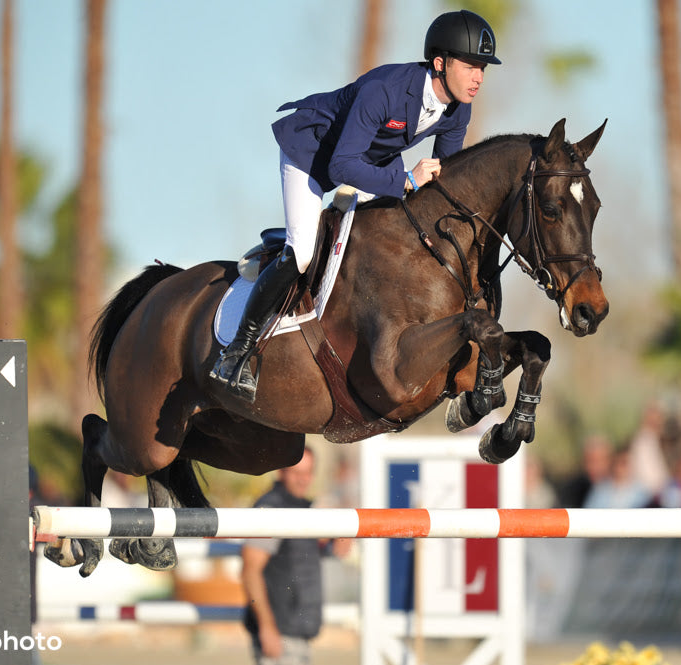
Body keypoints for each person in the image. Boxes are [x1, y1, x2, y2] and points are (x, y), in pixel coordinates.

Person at [211, 9, 502, 401]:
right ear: (439, 62)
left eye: (482, 68)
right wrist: (404, 181)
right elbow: (341, 165)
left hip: (370, 163)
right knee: (301, 254)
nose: (478, 77)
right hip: (312, 156)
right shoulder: (385, 90)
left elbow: (443, 180)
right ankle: (236, 353)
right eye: (470, 65)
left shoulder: (457, 108)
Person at [241, 446, 350, 664]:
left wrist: (338, 537)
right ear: (281, 472)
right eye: (296, 473)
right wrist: (267, 628)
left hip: (295, 634)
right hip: (280, 637)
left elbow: (300, 556)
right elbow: (250, 571)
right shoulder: (271, 509)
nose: (303, 480)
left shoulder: (303, 509)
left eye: (308, 473)